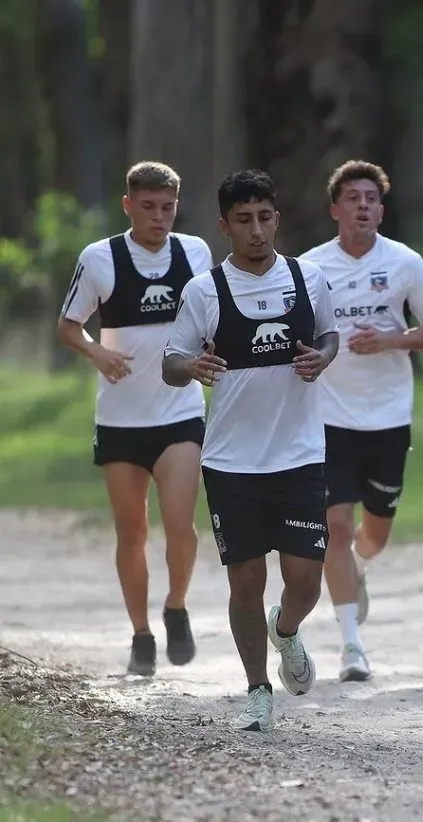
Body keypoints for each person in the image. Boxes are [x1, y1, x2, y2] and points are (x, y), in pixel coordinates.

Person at [162, 169, 339, 731]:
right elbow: (170, 362)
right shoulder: (204, 291)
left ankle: (284, 630)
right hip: (231, 461)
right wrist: (192, 365)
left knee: (306, 578)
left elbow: (331, 334)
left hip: (300, 452)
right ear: (224, 226)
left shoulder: (309, 279)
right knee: (245, 581)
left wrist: (325, 356)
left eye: (265, 217)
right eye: (244, 220)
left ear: (277, 219)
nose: (257, 230)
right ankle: (257, 688)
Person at [57, 161, 211, 677]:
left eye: (167, 208)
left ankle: (176, 607)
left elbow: (210, 316)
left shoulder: (194, 253)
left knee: (180, 526)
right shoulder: (100, 259)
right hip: (121, 420)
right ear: (128, 206)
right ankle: (140, 634)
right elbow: (68, 326)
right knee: (132, 534)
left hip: (180, 411)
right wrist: (97, 354)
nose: (159, 218)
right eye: (148, 208)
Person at [300, 160, 423, 682]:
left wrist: (392, 339)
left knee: (375, 533)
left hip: (387, 415)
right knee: (335, 526)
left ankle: (358, 570)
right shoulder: (310, 268)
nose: (363, 205)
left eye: (371, 198)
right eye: (353, 197)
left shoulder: (405, 262)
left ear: (381, 211)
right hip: (327, 416)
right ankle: (351, 646)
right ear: (335, 209)